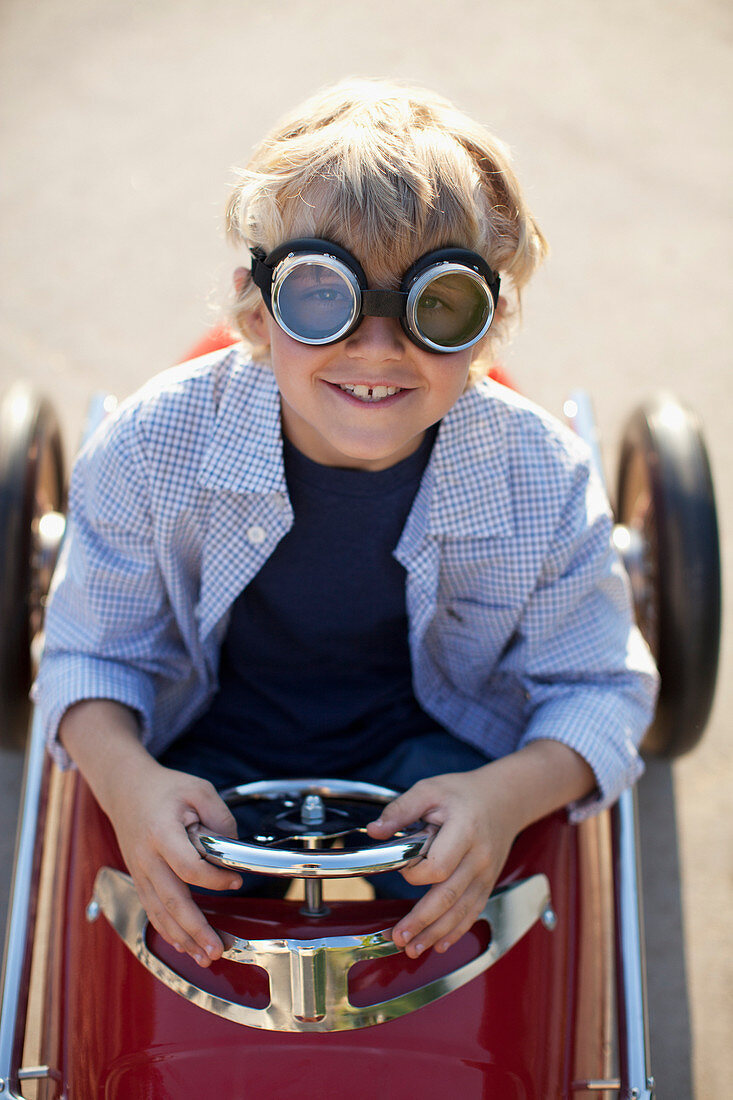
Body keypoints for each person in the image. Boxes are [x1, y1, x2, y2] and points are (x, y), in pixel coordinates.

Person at [34, 78, 658, 971]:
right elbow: (91, 655)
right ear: (258, 306)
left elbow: (601, 688)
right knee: (153, 948)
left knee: (484, 934)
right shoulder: (149, 447)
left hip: (437, 751)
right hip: (203, 734)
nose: (375, 349)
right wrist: (129, 784)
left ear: (489, 326)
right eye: (323, 296)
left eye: (435, 306)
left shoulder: (541, 477)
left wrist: (504, 796)